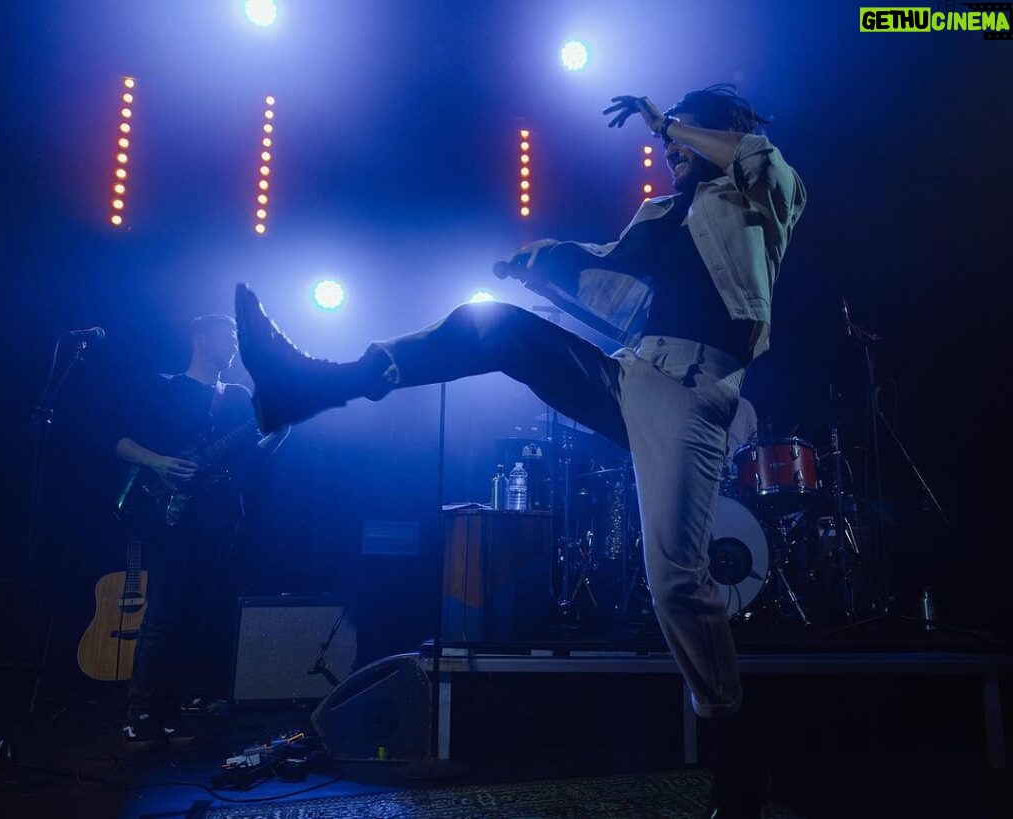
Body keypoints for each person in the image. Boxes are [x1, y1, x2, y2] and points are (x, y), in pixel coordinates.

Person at [235, 84, 805, 817]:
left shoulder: (766, 196)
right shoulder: (661, 213)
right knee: (495, 327)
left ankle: (735, 752)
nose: (669, 148)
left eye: (686, 135)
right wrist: (547, 260)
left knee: (677, 585)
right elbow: (611, 271)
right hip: (631, 373)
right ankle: (307, 386)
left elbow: (759, 159)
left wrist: (675, 123)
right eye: (667, 139)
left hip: (694, 395)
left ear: (717, 133)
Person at [114, 314, 288, 752]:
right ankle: (138, 715)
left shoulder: (239, 396)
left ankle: (171, 714)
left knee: (193, 621)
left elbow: (257, 451)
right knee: (163, 618)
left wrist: (284, 426)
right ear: (199, 337)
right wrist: (158, 462)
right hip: (169, 516)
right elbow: (120, 442)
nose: (233, 342)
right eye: (227, 334)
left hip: (220, 517)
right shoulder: (166, 387)